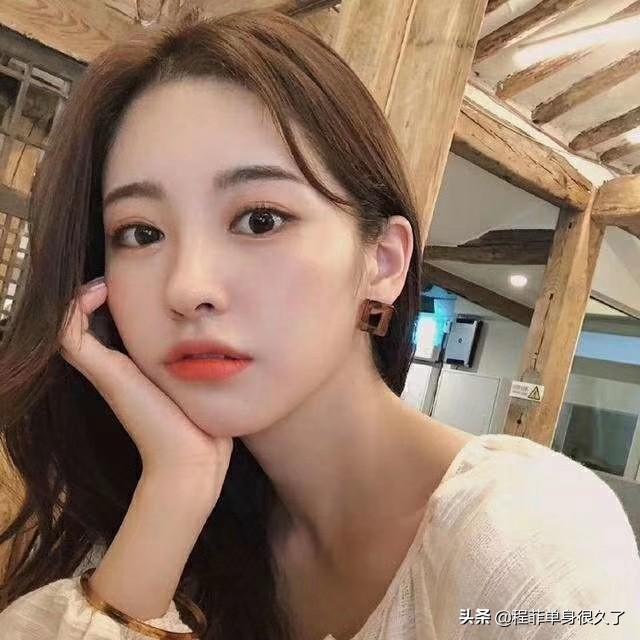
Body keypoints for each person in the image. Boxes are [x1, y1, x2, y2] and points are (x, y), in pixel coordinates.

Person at [0, 8, 638, 640]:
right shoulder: (175, 514)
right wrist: (175, 484)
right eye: (141, 233)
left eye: (260, 220)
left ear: (383, 262)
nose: (188, 287)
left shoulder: (528, 540)